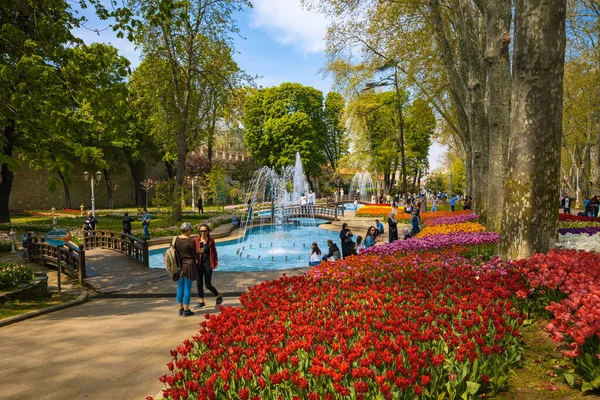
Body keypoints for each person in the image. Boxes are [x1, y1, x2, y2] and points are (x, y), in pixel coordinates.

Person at [194, 224, 223, 310]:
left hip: (208, 264)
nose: (202, 233)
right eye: (201, 231)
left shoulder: (211, 241)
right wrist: (197, 252)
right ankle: (202, 302)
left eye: (204, 231)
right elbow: (192, 251)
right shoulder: (196, 240)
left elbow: (214, 251)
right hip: (198, 265)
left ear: (208, 231)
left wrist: (216, 261)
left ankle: (218, 296)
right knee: (199, 284)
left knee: (208, 284)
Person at [174, 222, 198, 317]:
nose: (191, 232)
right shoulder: (190, 241)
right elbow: (194, 255)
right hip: (188, 266)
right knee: (187, 288)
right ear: (187, 230)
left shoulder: (175, 239)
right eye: (191, 230)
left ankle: (180, 309)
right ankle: (186, 310)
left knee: (180, 287)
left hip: (178, 266)